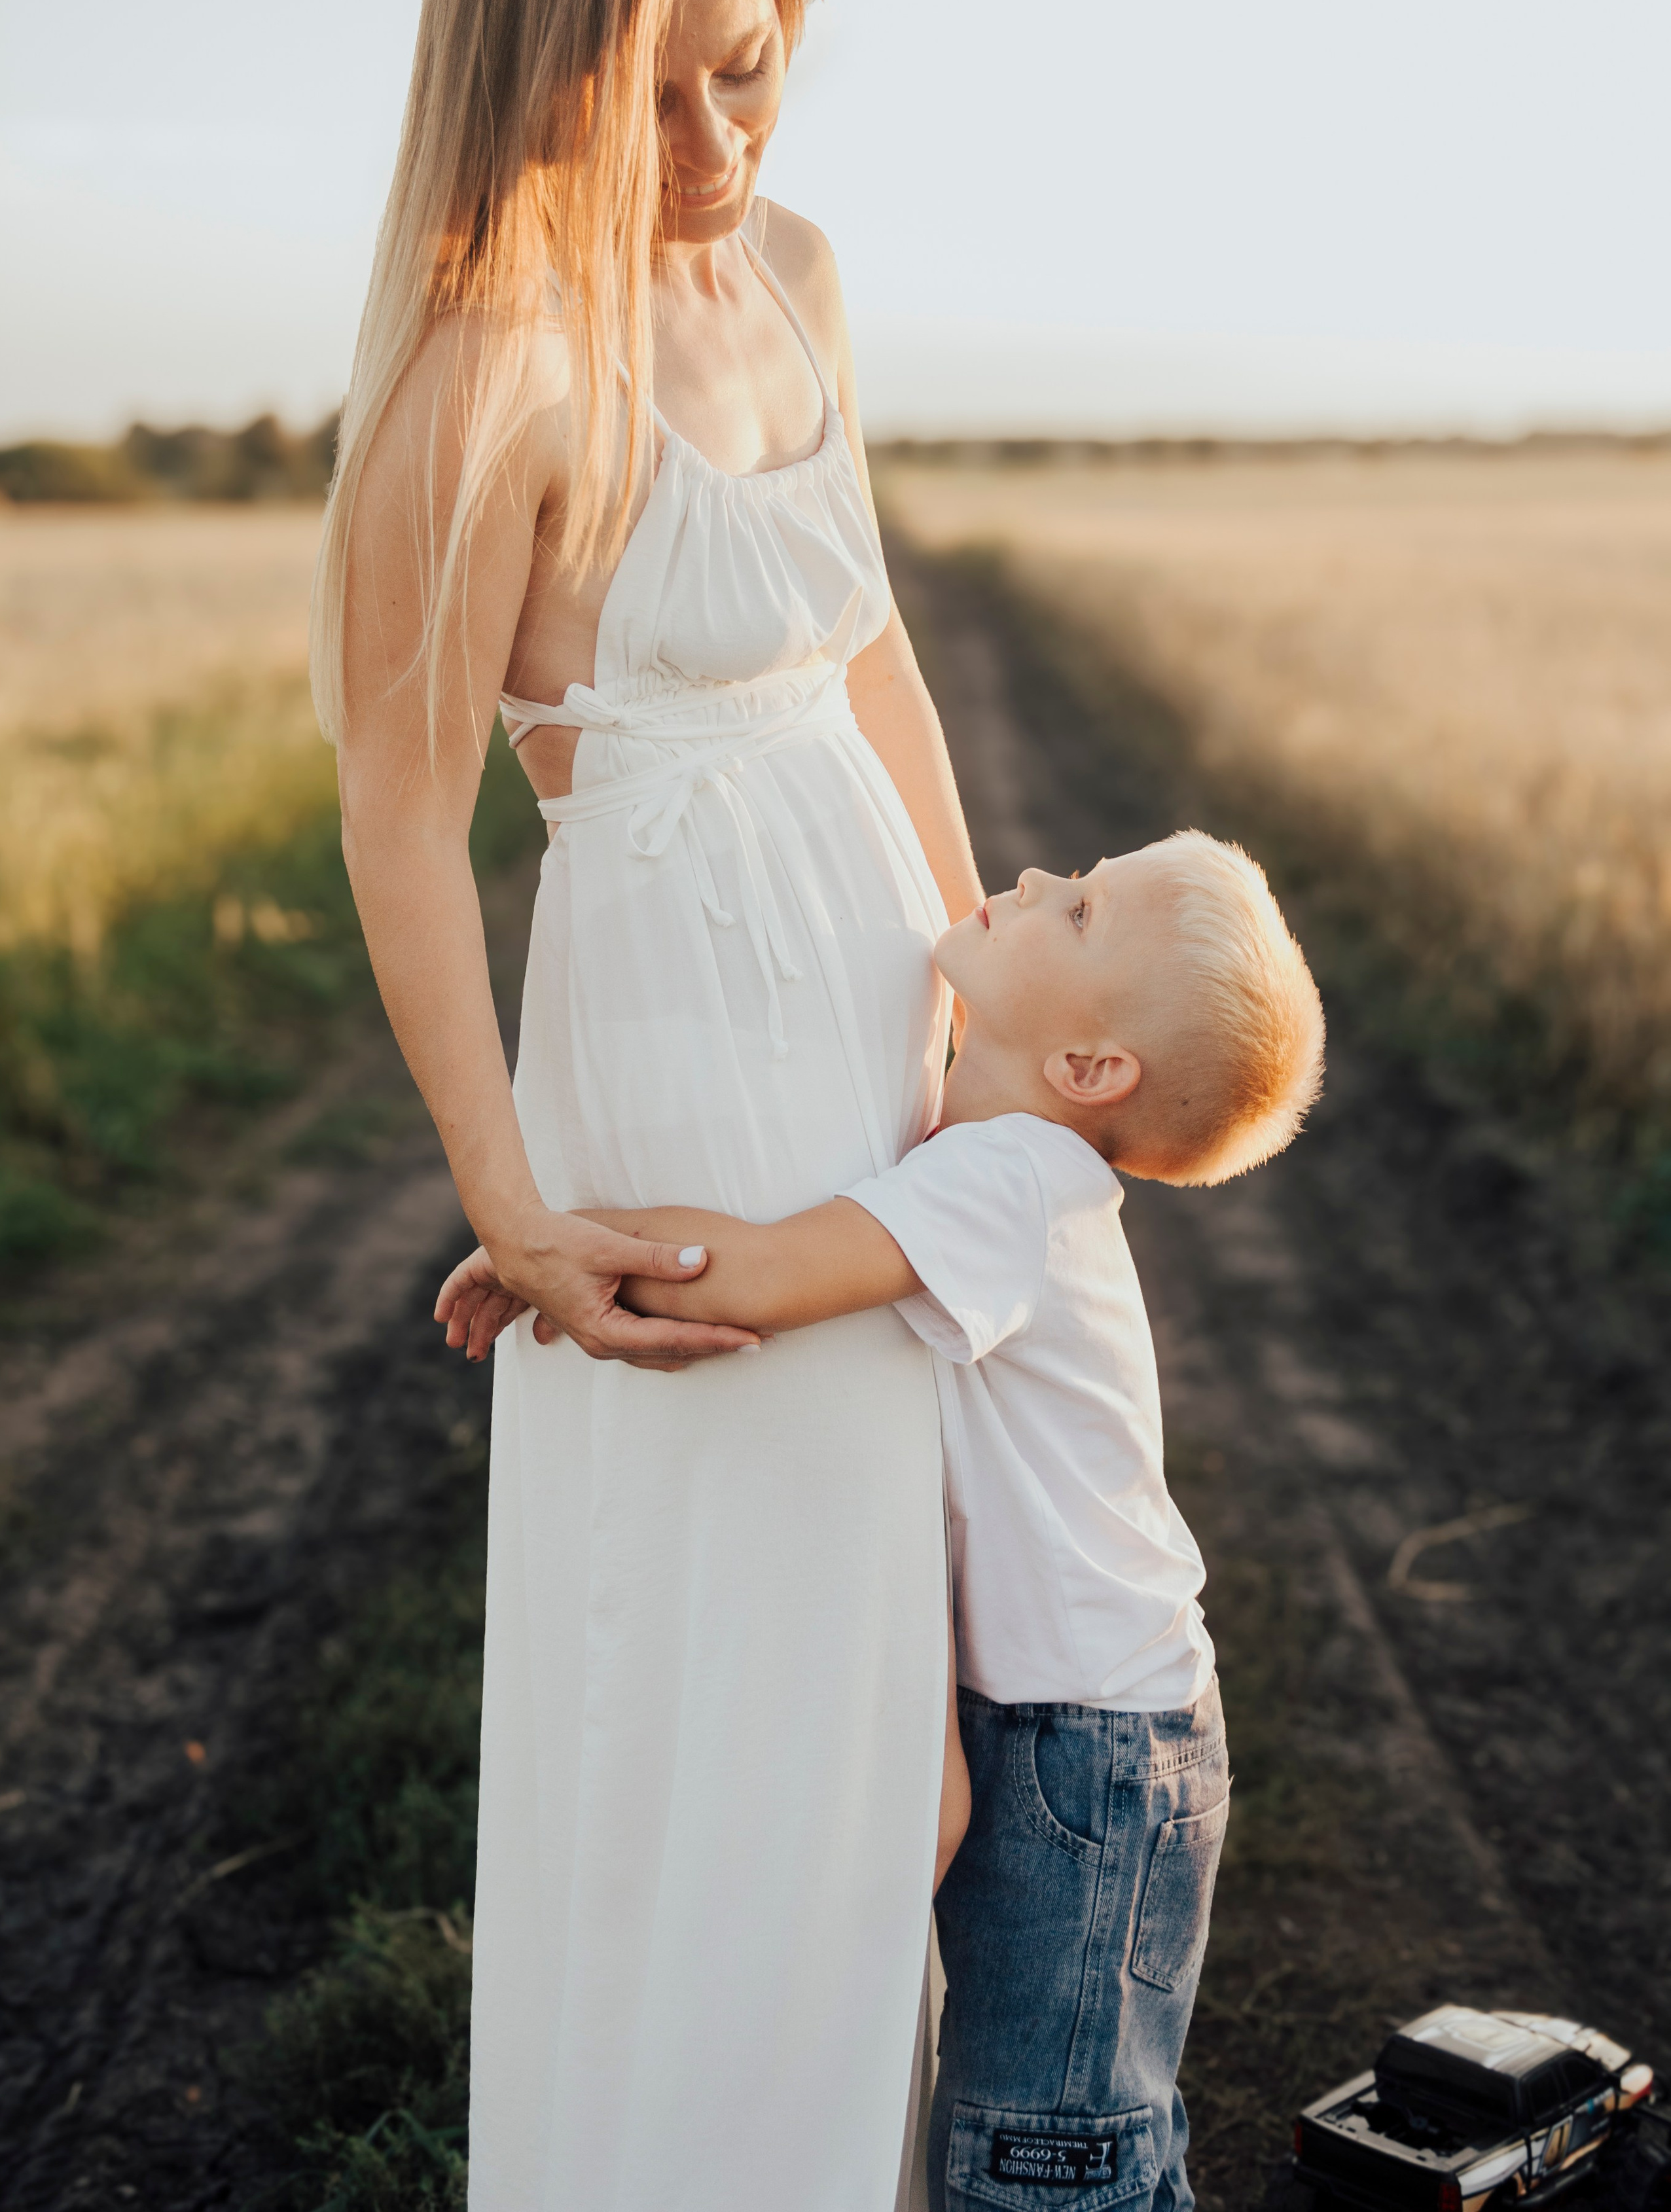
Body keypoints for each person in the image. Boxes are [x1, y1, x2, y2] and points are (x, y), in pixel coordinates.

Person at [312, 0, 982, 2212]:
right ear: (529, 67)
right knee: (718, 1715)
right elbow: (404, 814)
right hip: (676, 1103)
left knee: (891, 1717)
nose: (718, 131)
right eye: (653, 81)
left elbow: (879, 655)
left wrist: (985, 1007)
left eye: (752, 59)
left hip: (876, 1057)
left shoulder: (794, 273)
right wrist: (519, 1205)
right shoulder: (491, 362)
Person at [440, 832, 1326, 2212]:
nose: (1029, 880)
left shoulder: (1011, 1179)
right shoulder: (973, 1155)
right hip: (1067, 1727)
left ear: (1090, 1072)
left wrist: (547, 1242)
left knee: (1048, 2156)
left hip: (1089, 1752)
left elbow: (770, 1271)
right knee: (1040, 2128)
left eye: (1077, 908)